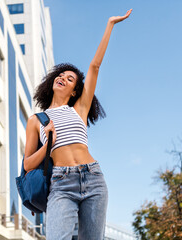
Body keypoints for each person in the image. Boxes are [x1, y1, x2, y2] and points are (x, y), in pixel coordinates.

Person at [23, 9, 132, 240]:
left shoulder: (79, 109)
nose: (62, 77)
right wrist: (47, 144)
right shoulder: (36, 120)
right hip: (61, 183)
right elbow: (27, 165)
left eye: (69, 78)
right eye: (60, 75)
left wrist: (110, 24)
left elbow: (94, 66)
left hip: (93, 177)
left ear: (75, 92)